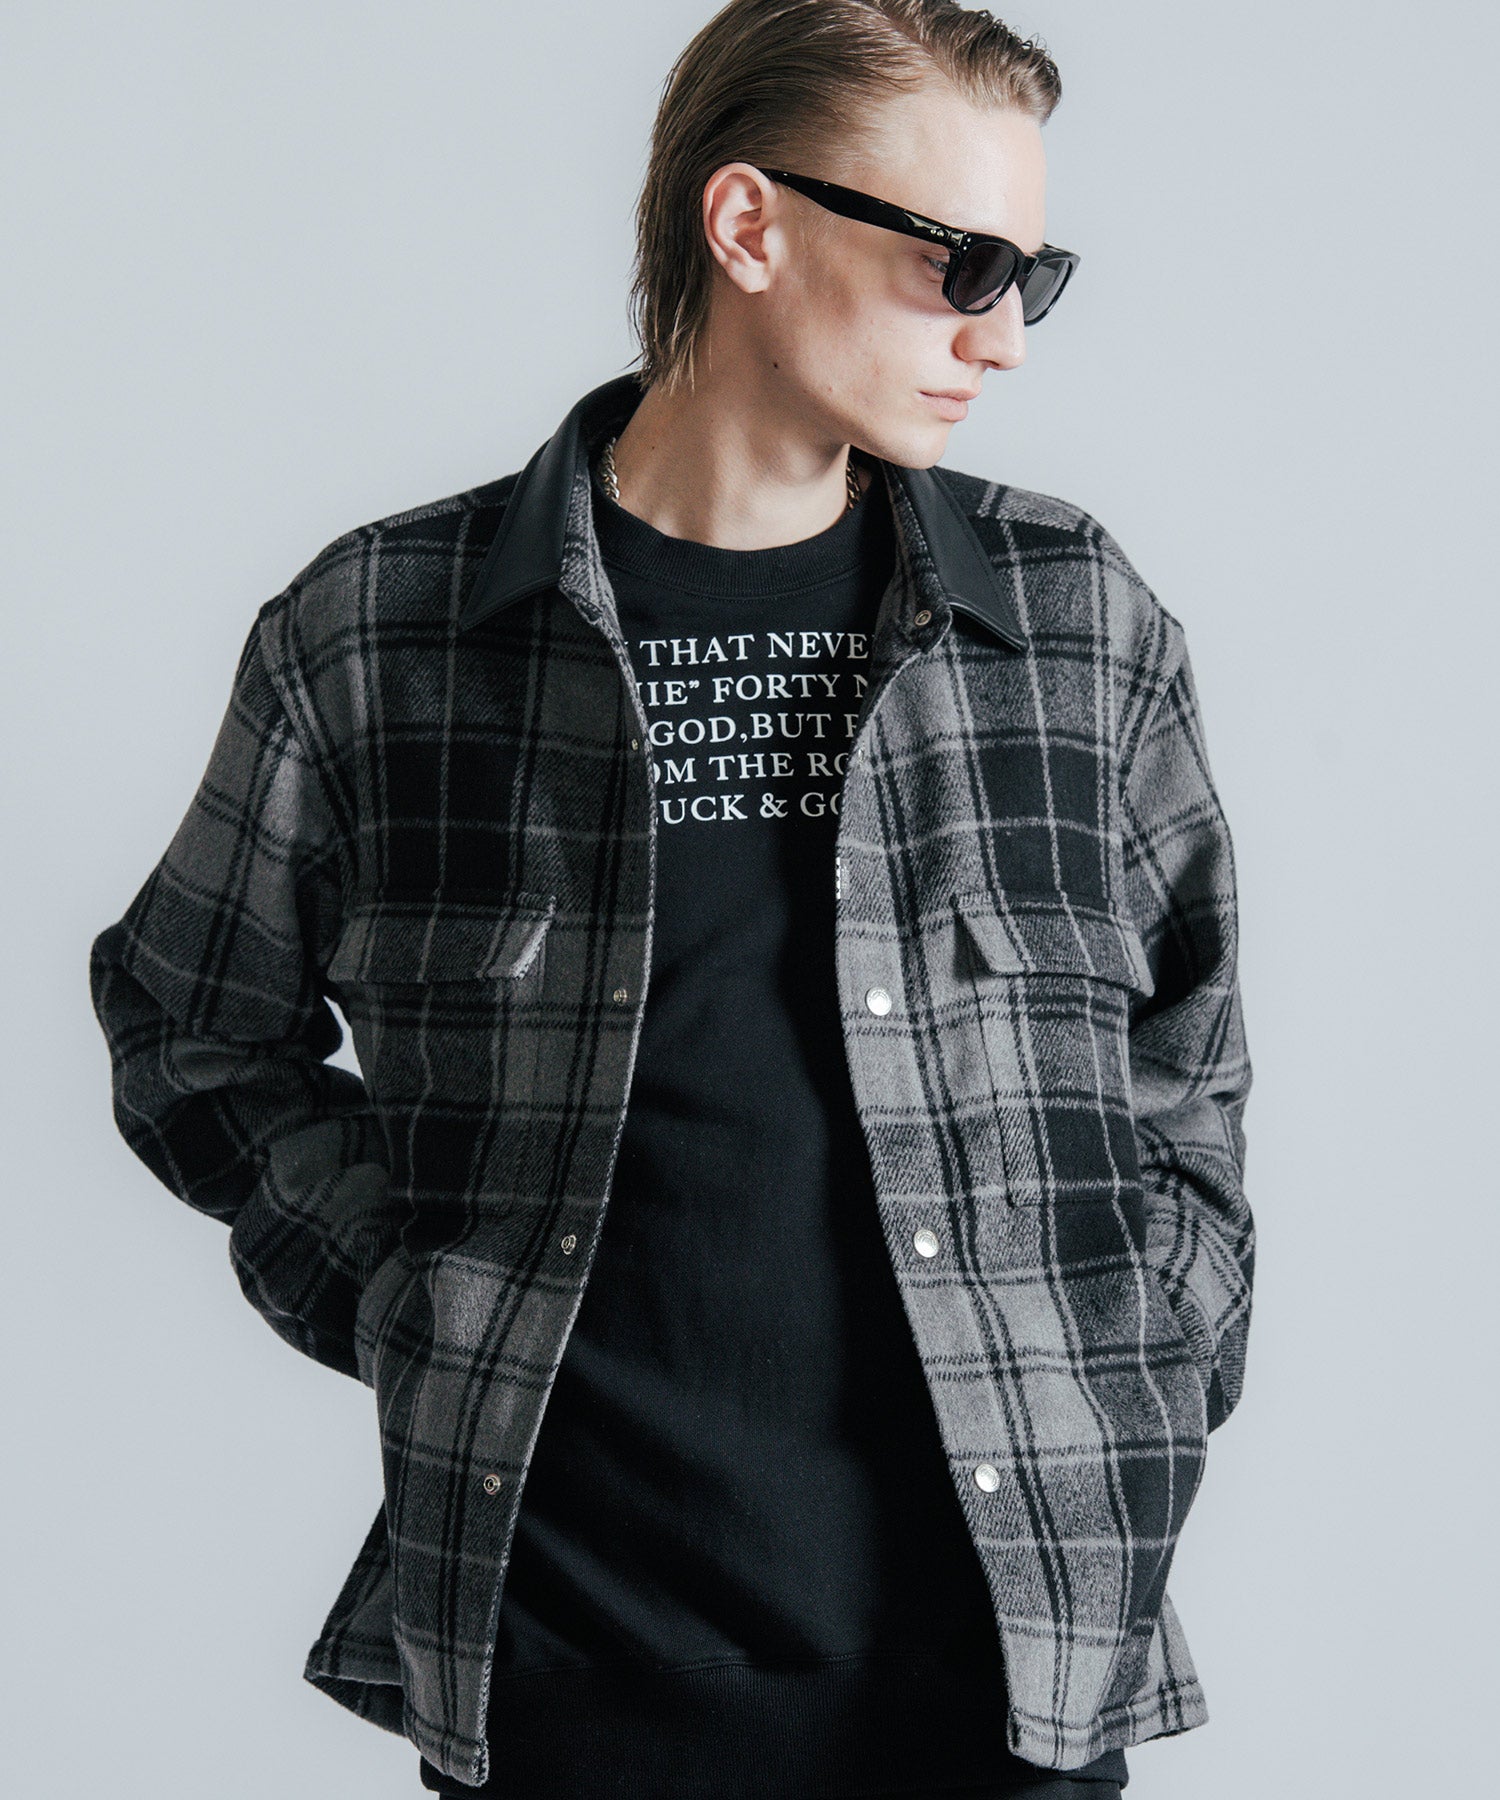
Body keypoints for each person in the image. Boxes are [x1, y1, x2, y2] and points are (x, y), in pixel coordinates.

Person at [88, 3, 1254, 1795]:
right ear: (749, 224)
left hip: (1007, 1675)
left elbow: (1190, 1069)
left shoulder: (1073, 625)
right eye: (962, 264)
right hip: (572, 1678)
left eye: (1036, 276)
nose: (1003, 336)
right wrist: (414, 1304)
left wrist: (1154, 1349)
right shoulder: (380, 636)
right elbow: (189, 1029)